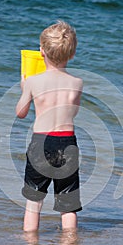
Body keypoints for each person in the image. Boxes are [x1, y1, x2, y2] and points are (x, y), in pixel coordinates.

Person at [16, 20, 83, 232]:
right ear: (71, 54)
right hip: (67, 143)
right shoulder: (77, 82)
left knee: (34, 203)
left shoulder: (33, 82)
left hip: (41, 143)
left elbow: (21, 113)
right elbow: (74, 112)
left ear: (41, 51)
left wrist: (24, 88)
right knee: (68, 204)